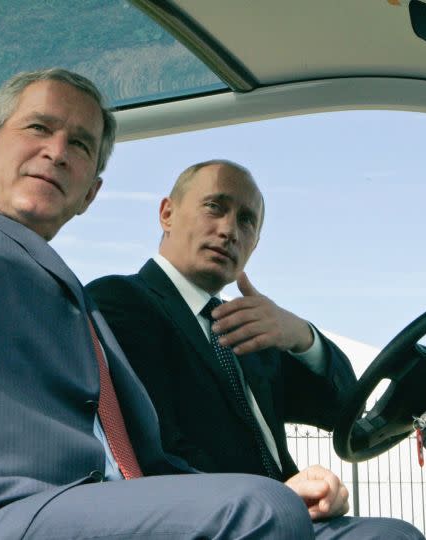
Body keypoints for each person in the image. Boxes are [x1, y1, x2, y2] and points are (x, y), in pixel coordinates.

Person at [0, 1, 423, 538]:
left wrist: (287, 492)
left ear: (91, 193)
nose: (57, 151)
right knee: (258, 511)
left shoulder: (77, 307)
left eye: (80, 145)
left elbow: (148, 463)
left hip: (86, 511)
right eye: (38, 128)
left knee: (385, 534)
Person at [86, 160, 357, 482]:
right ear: (167, 214)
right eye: (214, 207)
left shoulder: (253, 330)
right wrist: (276, 497)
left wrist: (302, 336)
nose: (229, 231)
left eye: (246, 221)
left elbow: (343, 413)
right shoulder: (120, 300)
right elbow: (155, 449)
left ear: (255, 243)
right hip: (211, 516)